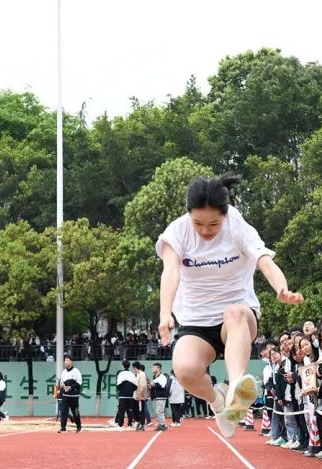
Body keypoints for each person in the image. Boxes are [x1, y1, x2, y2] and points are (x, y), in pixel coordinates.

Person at [156, 174, 303, 438]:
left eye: (213, 223)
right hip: (197, 321)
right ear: (188, 214)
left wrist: (282, 288)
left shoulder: (237, 225)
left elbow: (264, 261)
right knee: (185, 370)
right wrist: (165, 313)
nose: (205, 230)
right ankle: (218, 401)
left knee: (233, 311)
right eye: (198, 223)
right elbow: (170, 272)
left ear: (225, 215)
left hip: (239, 318)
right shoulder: (177, 232)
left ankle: (237, 388)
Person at [58, 356, 82, 433]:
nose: (66, 362)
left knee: (75, 412)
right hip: (65, 396)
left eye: (67, 360)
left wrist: (70, 388)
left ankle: (79, 427)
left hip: (74, 397)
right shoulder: (64, 372)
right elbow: (61, 383)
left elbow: (79, 382)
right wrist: (63, 387)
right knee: (63, 411)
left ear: (72, 362)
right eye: (65, 360)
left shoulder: (76, 371)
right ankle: (63, 428)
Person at [115, 361, 138, 428]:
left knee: (121, 411)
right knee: (130, 410)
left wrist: (122, 390)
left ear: (122, 366)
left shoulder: (121, 374)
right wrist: (130, 390)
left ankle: (120, 425)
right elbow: (135, 386)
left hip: (122, 395)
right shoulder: (132, 374)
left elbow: (118, 385)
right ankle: (130, 424)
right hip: (130, 395)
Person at [149, 363, 171, 432]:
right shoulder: (154, 376)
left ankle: (163, 425)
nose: (152, 369)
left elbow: (163, 386)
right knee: (156, 412)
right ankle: (160, 424)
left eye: (154, 367)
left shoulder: (162, 377)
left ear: (158, 368)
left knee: (159, 411)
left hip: (161, 396)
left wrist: (154, 385)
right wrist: (151, 387)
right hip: (155, 396)